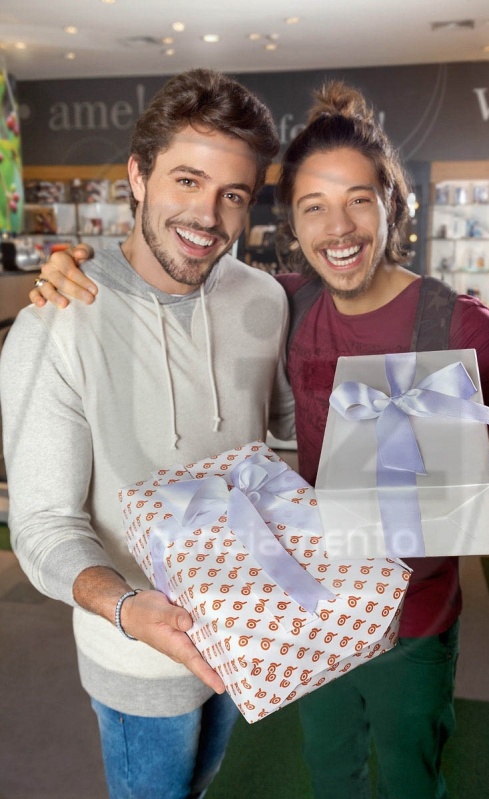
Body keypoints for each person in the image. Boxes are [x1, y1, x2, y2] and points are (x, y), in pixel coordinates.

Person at [26, 82, 489, 799]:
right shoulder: (266, 304)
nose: (336, 227)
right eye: (313, 205)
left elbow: (457, 480)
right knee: (268, 777)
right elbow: (41, 522)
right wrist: (73, 262)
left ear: (391, 201)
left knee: (383, 774)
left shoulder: (420, 322)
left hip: (344, 616)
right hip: (228, 628)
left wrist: (466, 479)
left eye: (357, 200)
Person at [0, 68, 295, 799]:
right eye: (186, 181)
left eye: (233, 193)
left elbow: (285, 438)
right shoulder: (56, 321)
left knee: (207, 781)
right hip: (136, 651)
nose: (209, 215)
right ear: (138, 175)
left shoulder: (263, 297)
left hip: (247, 626)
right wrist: (129, 609)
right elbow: (40, 525)